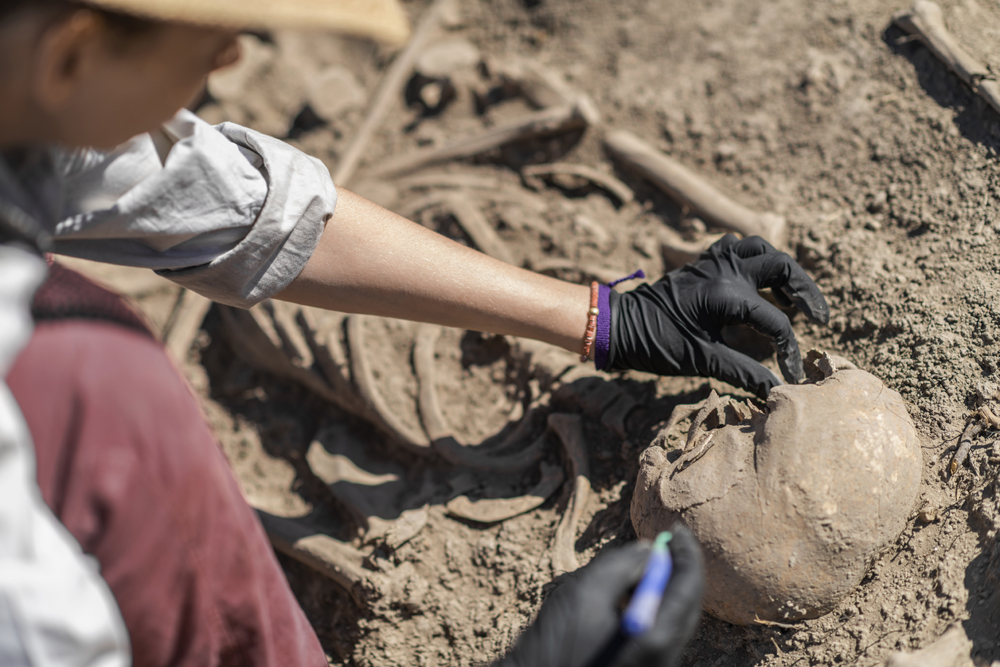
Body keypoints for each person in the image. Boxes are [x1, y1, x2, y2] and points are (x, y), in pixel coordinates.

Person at [0, 0, 829, 664]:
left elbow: (230, 207)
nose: (231, 63)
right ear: (69, 56)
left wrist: (608, 318)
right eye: (217, 36)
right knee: (96, 384)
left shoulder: (30, 116)